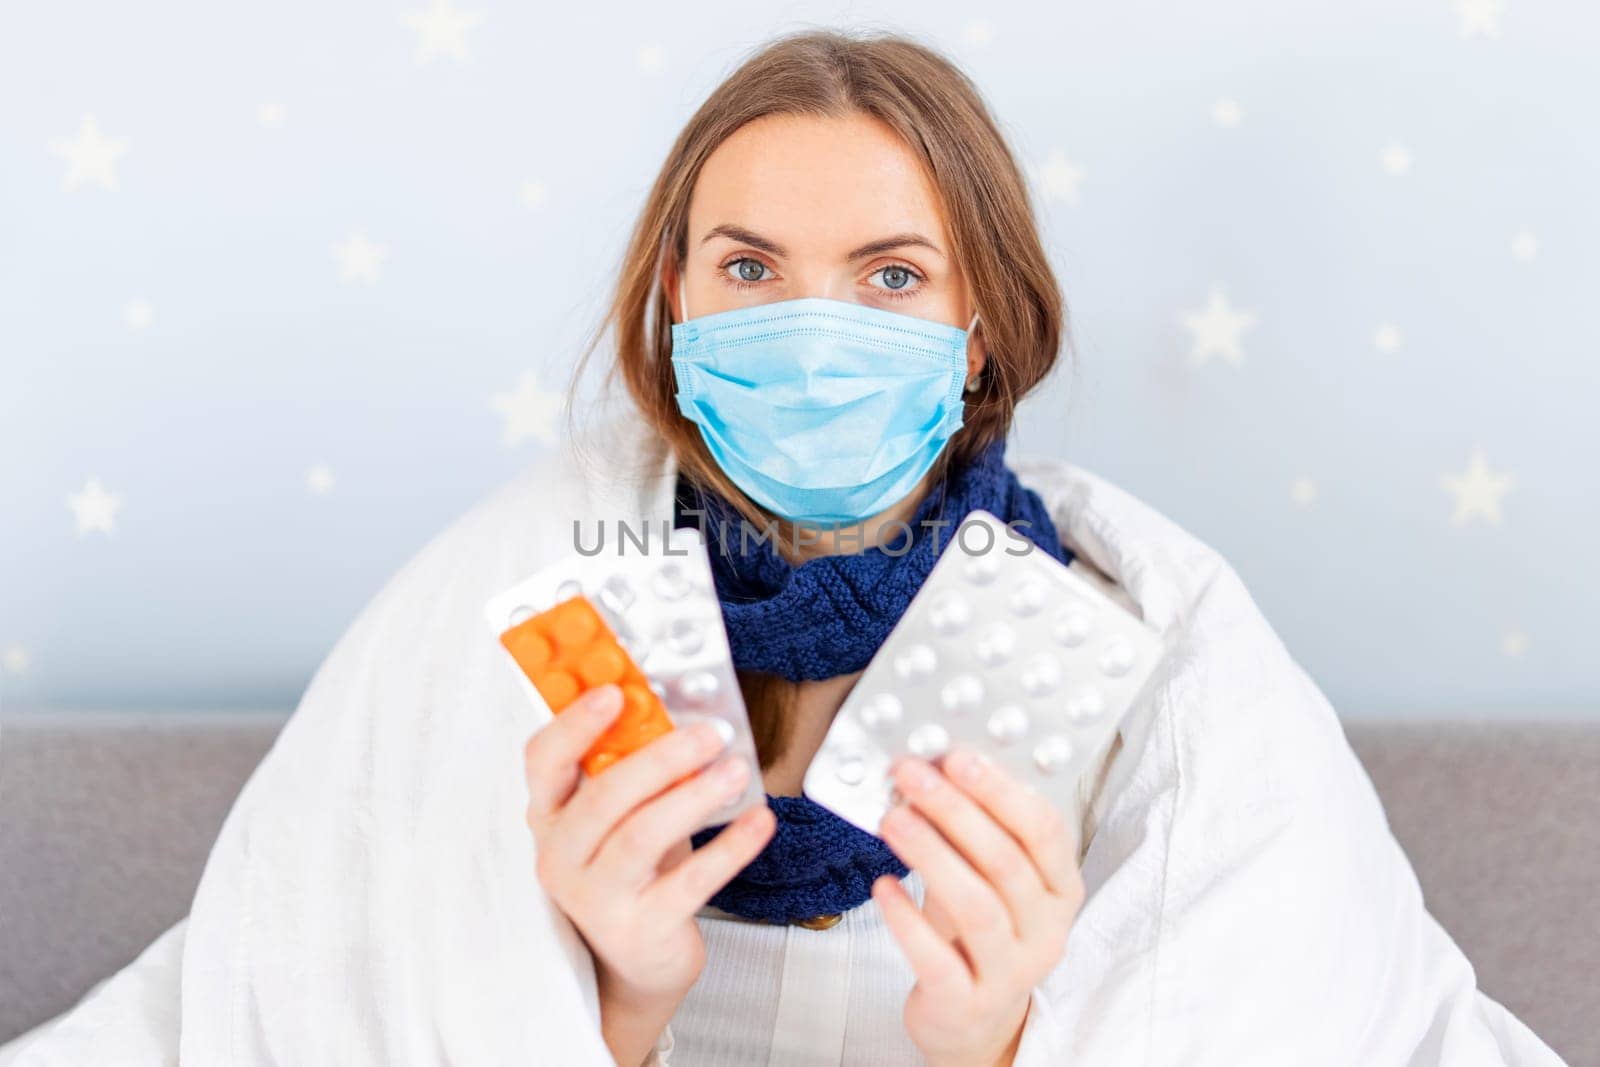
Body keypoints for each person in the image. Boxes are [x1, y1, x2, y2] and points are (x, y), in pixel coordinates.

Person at [1, 27, 1566, 1067]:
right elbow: (345, 989)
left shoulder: (1146, 645)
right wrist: (621, 995)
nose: (812, 330)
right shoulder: (518, 592)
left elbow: (1262, 992)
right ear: (671, 308)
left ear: (980, 330)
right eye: (750, 267)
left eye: (889, 277)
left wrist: (1003, 1040)